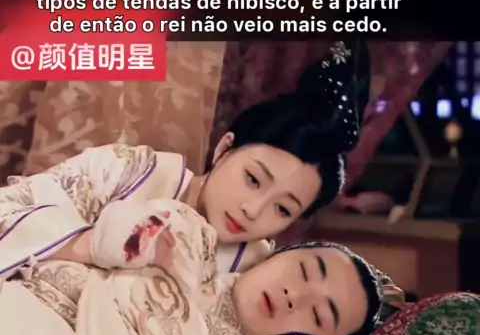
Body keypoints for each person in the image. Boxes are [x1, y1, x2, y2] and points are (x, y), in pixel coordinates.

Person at [0, 40, 370, 284]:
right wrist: (90, 245)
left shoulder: (255, 267)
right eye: (254, 179)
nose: (253, 209)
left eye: (283, 208)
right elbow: (8, 210)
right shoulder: (129, 170)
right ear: (224, 149)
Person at [0, 196, 381, 335]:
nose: (293, 295)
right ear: (276, 253)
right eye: (304, 271)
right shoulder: (190, 239)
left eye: (317, 315)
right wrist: (117, 240)